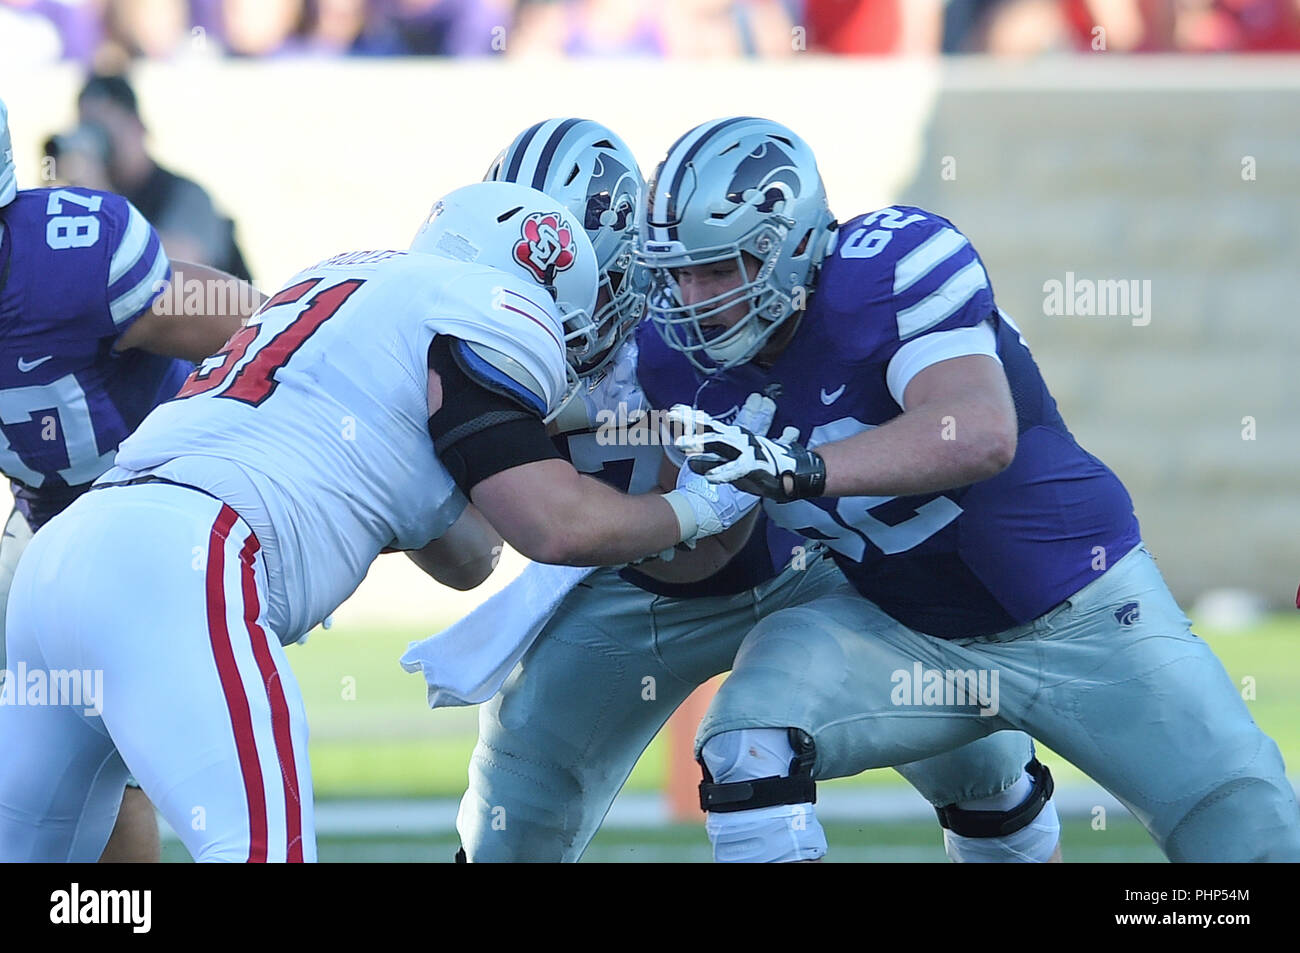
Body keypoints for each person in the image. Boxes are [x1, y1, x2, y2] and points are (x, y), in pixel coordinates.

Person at [0, 179, 749, 862]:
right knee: (259, 851)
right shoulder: (492, 308)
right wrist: (693, 507)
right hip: (187, 562)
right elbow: (551, 527)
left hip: (60, 557)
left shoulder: (336, 282)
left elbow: (463, 553)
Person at [641, 116, 1300, 862]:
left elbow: (979, 431)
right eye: (679, 272)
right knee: (748, 744)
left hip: (1080, 613)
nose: (693, 298)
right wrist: (675, 522)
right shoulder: (671, 359)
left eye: (721, 269)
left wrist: (801, 467)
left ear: (790, 247)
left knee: (1250, 841)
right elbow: (706, 544)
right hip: (905, 632)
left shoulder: (888, 266)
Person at [441, 117, 1061, 863]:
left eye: (577, 286)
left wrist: (679, 488)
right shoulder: (479, 341)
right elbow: (488, 535)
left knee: (990, 777)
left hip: (811, 568)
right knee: (511, 815)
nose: (553, 317)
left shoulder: (703, 314)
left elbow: (721, 526)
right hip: (631, 591)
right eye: (528, 290)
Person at [0, 96, 261, 862]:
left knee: (125, 760)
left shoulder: (71, 258)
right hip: (45, 522)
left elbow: (261, 331)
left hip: (157, 517)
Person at [76, 73, 253, 281]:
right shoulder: (92, 194)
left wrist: (99, 198)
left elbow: (182, 265)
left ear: (137, 127)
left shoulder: (185, 194)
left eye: (104, 130)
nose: (97, 142)